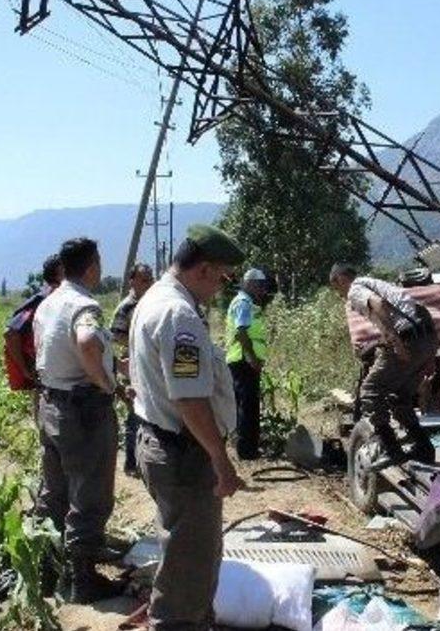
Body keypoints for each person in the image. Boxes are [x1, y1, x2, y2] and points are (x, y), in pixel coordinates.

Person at [129, 225, 244, 631]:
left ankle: (193, 619)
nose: (220, 288)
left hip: (161, 440)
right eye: (222, 278)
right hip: (184, 453)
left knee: (185, 551)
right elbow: (190, 399)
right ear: (204, 269)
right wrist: (220, 459)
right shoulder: (179, 316)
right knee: (190, 562)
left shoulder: (154, 297)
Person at [32, 237, 123, 603]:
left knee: (54, 490)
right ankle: (83, 579)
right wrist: (106, 383)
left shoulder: (48, 303)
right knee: (90, 492)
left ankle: (47, 568)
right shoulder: (85, 305)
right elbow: (86, 342)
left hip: (51, 403)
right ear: (92, 267)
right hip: (83, 409)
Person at [328, 264, 436, 468]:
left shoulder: (355, 289)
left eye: (337, 288)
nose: (340, 294)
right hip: (425, 339)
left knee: (370, 391)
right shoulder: (377, 284)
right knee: (399, 396)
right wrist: (427, 352)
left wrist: (395, 341)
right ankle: (423, 447)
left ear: (341, 280)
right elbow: (420, 311)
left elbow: (378, 304)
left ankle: (390, 448)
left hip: (407, 340)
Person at [110, 263, 155, 475]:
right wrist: (138, 341)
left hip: (149, 365)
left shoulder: (153, 302)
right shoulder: (126, 306)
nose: (149, 283)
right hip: (132, 366)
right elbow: (115, 334)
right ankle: (130, 462)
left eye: (150, 279)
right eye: (144, 279)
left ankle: (143, 458)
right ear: (132, 281)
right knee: (134, 413)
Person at [224, 267, 272, 460]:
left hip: (244, 361)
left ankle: (247, 447)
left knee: (246, 405)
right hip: (244, 361)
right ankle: (247, 450)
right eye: (259, 286)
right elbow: (241, 332)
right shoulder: (243, 303)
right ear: (250, 284)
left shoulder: (247, 302)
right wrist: (252, 358)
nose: (262, 290)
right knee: (247, 406)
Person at [3, 254, 63, 390]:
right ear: (59, 274)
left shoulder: (66, 300)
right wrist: (25, 370)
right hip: (47, 374)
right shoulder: (41, 301)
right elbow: (10, 334)